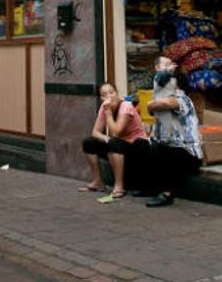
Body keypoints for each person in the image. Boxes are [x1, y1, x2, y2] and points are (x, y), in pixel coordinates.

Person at [144, 55, 202, 207]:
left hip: (189, 155)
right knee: (145, 144)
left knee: (163, 149)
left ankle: (167, 194)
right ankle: (151, 187)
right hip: (172, 149)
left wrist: (150, 104)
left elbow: (163, 104)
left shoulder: (182, 99)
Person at [80, 82, 148, 202]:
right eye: (104, 94)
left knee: (114, 142)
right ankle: (98, 182)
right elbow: (95, 132)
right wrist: (106, 138)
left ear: (117, 93)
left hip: (136, 146)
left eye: (111, 92)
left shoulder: (126, 106)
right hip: (118, 144)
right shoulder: (104, 107)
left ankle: (119, 186)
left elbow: (116, 132)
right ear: (101, 98)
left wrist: (108, 112)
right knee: (89, 142)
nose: (109, 97)